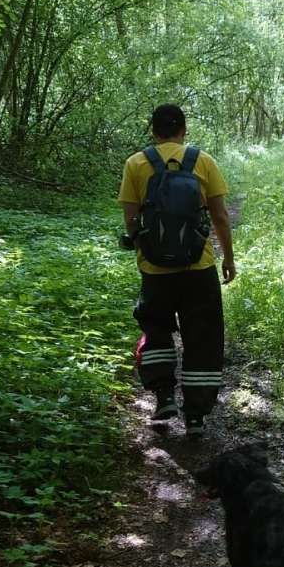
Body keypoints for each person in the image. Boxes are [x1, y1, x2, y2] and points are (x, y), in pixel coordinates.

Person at [118, 103, 235, 436]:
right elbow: (220, 216)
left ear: (153, 131)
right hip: (199, 268)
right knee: (203, 336)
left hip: (155, 272)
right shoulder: (203, 160)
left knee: (155, 329)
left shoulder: (136, 164)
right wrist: (227, 257)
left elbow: (130, 219)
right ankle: (196, 416)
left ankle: (164, 396)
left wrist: (148, 251)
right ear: (184, 130)